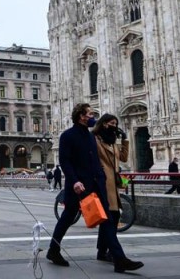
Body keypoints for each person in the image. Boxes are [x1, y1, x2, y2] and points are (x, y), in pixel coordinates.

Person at [47, 103, 143, 273]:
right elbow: (65, 161)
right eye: (90, 114)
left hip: (96, 184)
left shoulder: (90, 137)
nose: (93, 117)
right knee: (67, 218)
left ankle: (119, 259)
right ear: (81, 116)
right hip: (78, 186)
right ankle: (53, 250)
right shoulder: (67, 136)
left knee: (105, 219)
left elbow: (95, 160)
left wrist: (102, 176)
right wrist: (75, 181)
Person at [93, 113, 129, 262]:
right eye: (111, 123)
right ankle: (113, 253)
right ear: (103, 124)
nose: (114, 126)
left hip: (113, 183)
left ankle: (102, 251)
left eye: (116, 123)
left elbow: (124, 158)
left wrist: (125, 140)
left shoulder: (112, 141)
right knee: (110, 218)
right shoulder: (95, 139)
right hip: (103, 182)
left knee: (112, 217)